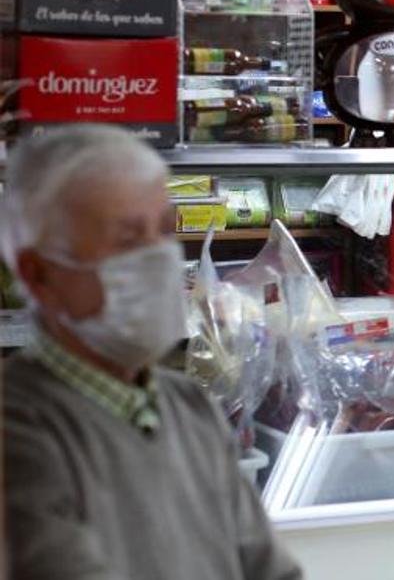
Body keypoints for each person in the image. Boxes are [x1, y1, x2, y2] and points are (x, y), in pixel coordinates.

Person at [1, 125, 302, 580]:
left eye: (163, 231)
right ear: (39, 273)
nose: (159, 258)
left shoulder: (190, 407)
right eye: (127, 239)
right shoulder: (18, 429)